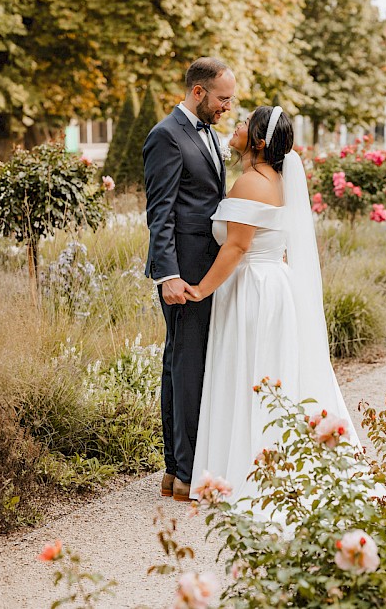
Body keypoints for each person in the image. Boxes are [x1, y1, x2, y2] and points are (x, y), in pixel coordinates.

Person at [184, 106, 361, 509]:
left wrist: (201, 289)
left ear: (259, 141)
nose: (237, 125)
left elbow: (237, 245)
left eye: (245, 123)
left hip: (252, 288)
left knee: (250, 372)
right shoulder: (276, 179)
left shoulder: (251, 182)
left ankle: (249, 469)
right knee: (267, 372)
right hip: (271, 284)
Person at [143, 57, 236, 502]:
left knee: (181, 362)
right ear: (198, 92)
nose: (228, 106)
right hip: (184, 273)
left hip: (205, 267)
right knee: (186, 364)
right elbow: (159, 213)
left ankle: (175, 468)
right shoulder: (166, 135)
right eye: (222, 98)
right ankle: (184, 472)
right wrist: (169, 275)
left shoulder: (211, 136)